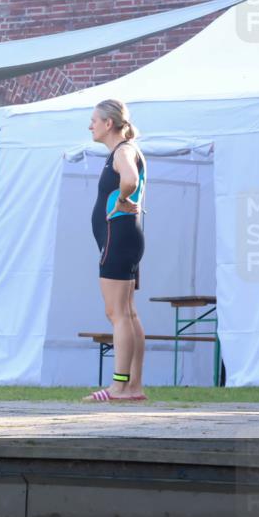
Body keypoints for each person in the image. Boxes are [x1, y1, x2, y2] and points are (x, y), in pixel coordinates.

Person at [85, 99, 148, 402]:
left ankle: (119, 386)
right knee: (128, 312)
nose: (90, 126)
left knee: (117, 313)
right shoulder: (125, 150)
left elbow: (130, 180)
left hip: (118, 238)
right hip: (125, 238)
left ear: (108, 123)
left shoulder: (122, 151)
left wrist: (123, 199)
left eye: (94, 120)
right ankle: (134, 386)